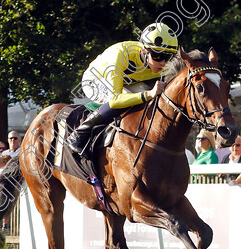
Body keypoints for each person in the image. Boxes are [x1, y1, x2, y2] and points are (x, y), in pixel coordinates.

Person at [67, 22, 177, 156]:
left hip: (127, 81)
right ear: (144, 52)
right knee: (129, 100)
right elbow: (114, 100)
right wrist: (148, 94)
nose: (163, 63)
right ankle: (80, 133)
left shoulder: (160, 63)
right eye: (158, 56)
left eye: (168, 57)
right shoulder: (121, 56)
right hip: (95, 80)